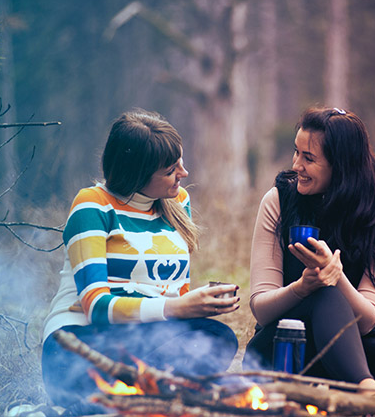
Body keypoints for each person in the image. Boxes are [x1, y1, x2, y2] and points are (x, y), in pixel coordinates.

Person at [243, 107, 375, 416]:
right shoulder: (279, 201)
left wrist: (337, 277)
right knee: (323, 292)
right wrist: (305, 287)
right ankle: (368, 397)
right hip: (282, 353)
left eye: (309, 158)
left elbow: (369, 318)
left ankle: (337, 399)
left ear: (341, 165)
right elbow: (262, 310)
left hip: (351, 354)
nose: (297, 165)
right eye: (296, 152)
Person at [41, 109, 240, 413]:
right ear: (137, 173)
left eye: (181, 162)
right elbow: (96, 306)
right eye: (171, 169)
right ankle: (110, 402)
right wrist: (178, 308)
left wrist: (195, 305)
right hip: (78, 345)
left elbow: (176, 291)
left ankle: (126, 403)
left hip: (145, 340)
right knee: (179, 352)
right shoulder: (92, 205)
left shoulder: (177, 201)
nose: (183, 174)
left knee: (217, 337)